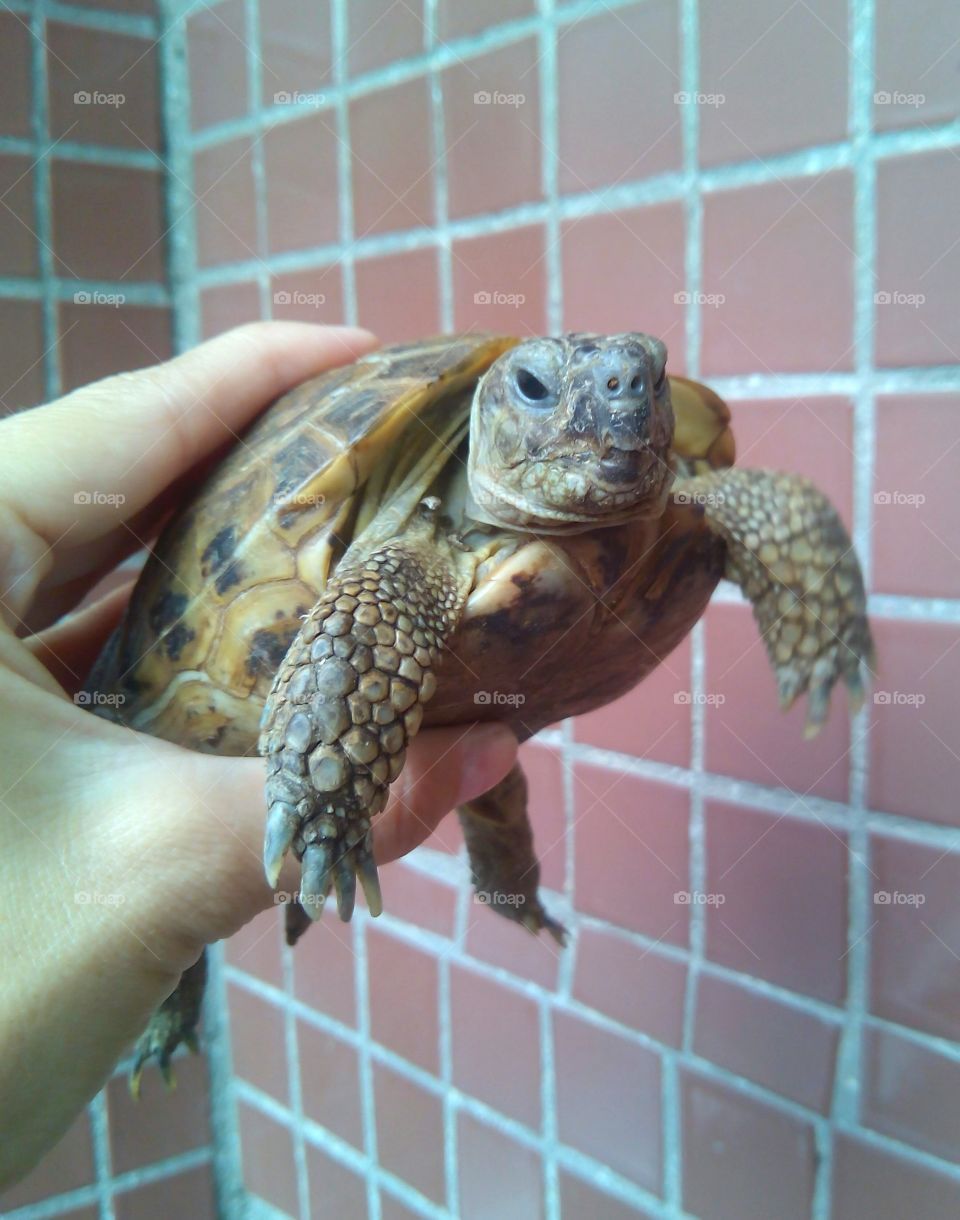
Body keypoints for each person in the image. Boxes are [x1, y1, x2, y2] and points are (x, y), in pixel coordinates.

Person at [0, 322, 518, 1187]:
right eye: (535, 391)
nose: (615, 405)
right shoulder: (397, 560)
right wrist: (329, 804)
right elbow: (376, 599)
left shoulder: (664, 483)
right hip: (280, 636)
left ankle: (503, 874)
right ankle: (176, 990)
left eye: (642, 387)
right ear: (502, 411)